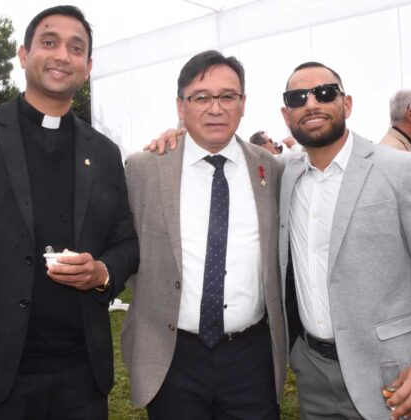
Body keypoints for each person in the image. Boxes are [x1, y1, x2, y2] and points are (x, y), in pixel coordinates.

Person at [0, 5, 139, 419]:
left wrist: (102, 272)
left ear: (88, 67)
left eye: (76, 48)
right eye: (49, 42)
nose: (62, 55)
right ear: (23, 54)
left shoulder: (104, 153)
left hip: (82, 377)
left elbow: (126, 242)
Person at [279, 62, 411, 420]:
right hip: (312, 371)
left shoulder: (401, 170)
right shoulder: (286, 175)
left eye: (324, 93)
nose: (311, 104)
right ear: (285, 113)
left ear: (346, 104)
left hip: (391, 374)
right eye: (297, 98)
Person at [123, 50, 286, 419]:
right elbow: (124, 247)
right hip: (173, 357)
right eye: (201, 97)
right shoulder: (143, 169)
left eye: (228, 96)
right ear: (181, 106)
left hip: (251, 357)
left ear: (243, 104)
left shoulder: (271, 170)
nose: (216, 108)